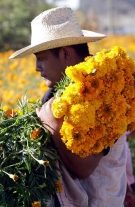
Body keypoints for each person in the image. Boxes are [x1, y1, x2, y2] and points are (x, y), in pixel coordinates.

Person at [9, 7, 127, 207]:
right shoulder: (60, 95)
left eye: (42, 58)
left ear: (65, 53)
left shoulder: (105, 96)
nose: (37, 67)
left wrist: (51, 123)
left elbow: (84, 168)